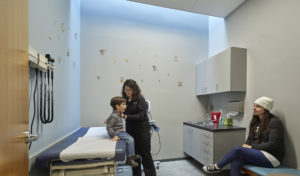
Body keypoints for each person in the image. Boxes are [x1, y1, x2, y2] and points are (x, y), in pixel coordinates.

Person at [203, 96, 285, 176]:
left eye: (258, 106)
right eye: (254, 105)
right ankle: (219, 167)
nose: (254, 108)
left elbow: (272, 144)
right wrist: (246, 148)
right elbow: (250, 139)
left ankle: (217, 166)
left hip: (272, 157)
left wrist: (251, 147)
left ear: (266, 109)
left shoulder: (274, 122)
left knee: (238, 150)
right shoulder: (256, 121)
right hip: (258, 152)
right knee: (235, 162)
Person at [122, 79, 157, 176]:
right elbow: (122, 112)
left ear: (134, 89)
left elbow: (141, 116)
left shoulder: (140, 99)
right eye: (125, 90)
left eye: (129, 90)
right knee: (134, 157)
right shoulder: (126, 101)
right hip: (131, 133)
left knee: (146, 156)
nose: (127, 92)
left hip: (142, 132)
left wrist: (126, 116)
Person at [106, 96, 140, 167]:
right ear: (117, 106)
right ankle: (129, 159)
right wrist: (114, 135)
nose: (125, 106)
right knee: (130, 139)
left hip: (121, 131)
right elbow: (109, 127)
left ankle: (131, 155)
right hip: (117, 132)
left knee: (131, 138)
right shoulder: (114, 116)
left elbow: (110, 119)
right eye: (123, 104)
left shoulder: (117, 114)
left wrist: (107, 120)